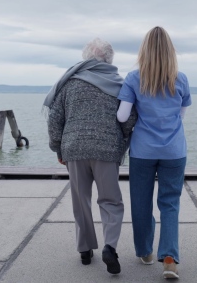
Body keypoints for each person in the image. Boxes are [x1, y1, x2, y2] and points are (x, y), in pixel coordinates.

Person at [45, 38, 137, 275]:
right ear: (110, 59)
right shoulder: (120, 84)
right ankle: (109, 247)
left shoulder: (69, 83)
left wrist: (58, 148)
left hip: (74, 149)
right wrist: (123, 140)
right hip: (107, 150)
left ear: (86, 57)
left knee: (80, 200)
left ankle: (85, 250)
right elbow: (130, 118)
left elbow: (55, 120)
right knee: (110, 201)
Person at [116, 26, 191, 279]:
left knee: (140, 202)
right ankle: (169, 259)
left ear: (144, 50)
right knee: (170, 203)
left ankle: (146, 251)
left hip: (143, 151)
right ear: (171, 51)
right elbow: (181, 115)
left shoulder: (133, 78)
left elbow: (122, 115)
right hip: (174, 150)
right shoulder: (181, 79)